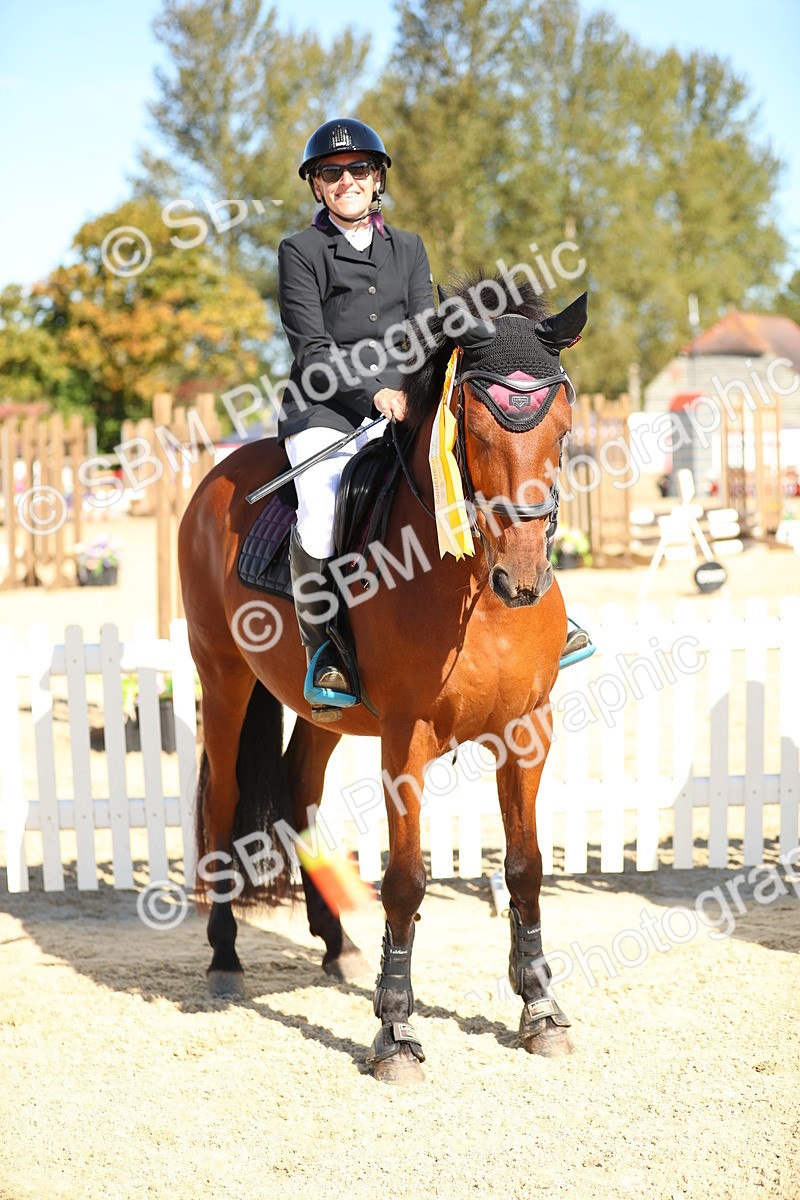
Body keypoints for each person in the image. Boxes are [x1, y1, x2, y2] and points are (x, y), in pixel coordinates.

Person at [277, 118, 433, 715]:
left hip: (403, 403)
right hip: (325, 408)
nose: (347, 181)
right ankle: (327, 653)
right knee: (321, 505)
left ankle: (538, 600)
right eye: (332, 173)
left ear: (377, 180)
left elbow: (424, 330)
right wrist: (374, 393)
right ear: (317, 186)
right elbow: (311, 350)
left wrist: (411, 391)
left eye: (359, 171)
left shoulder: (410, 248)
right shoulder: (301, 252)